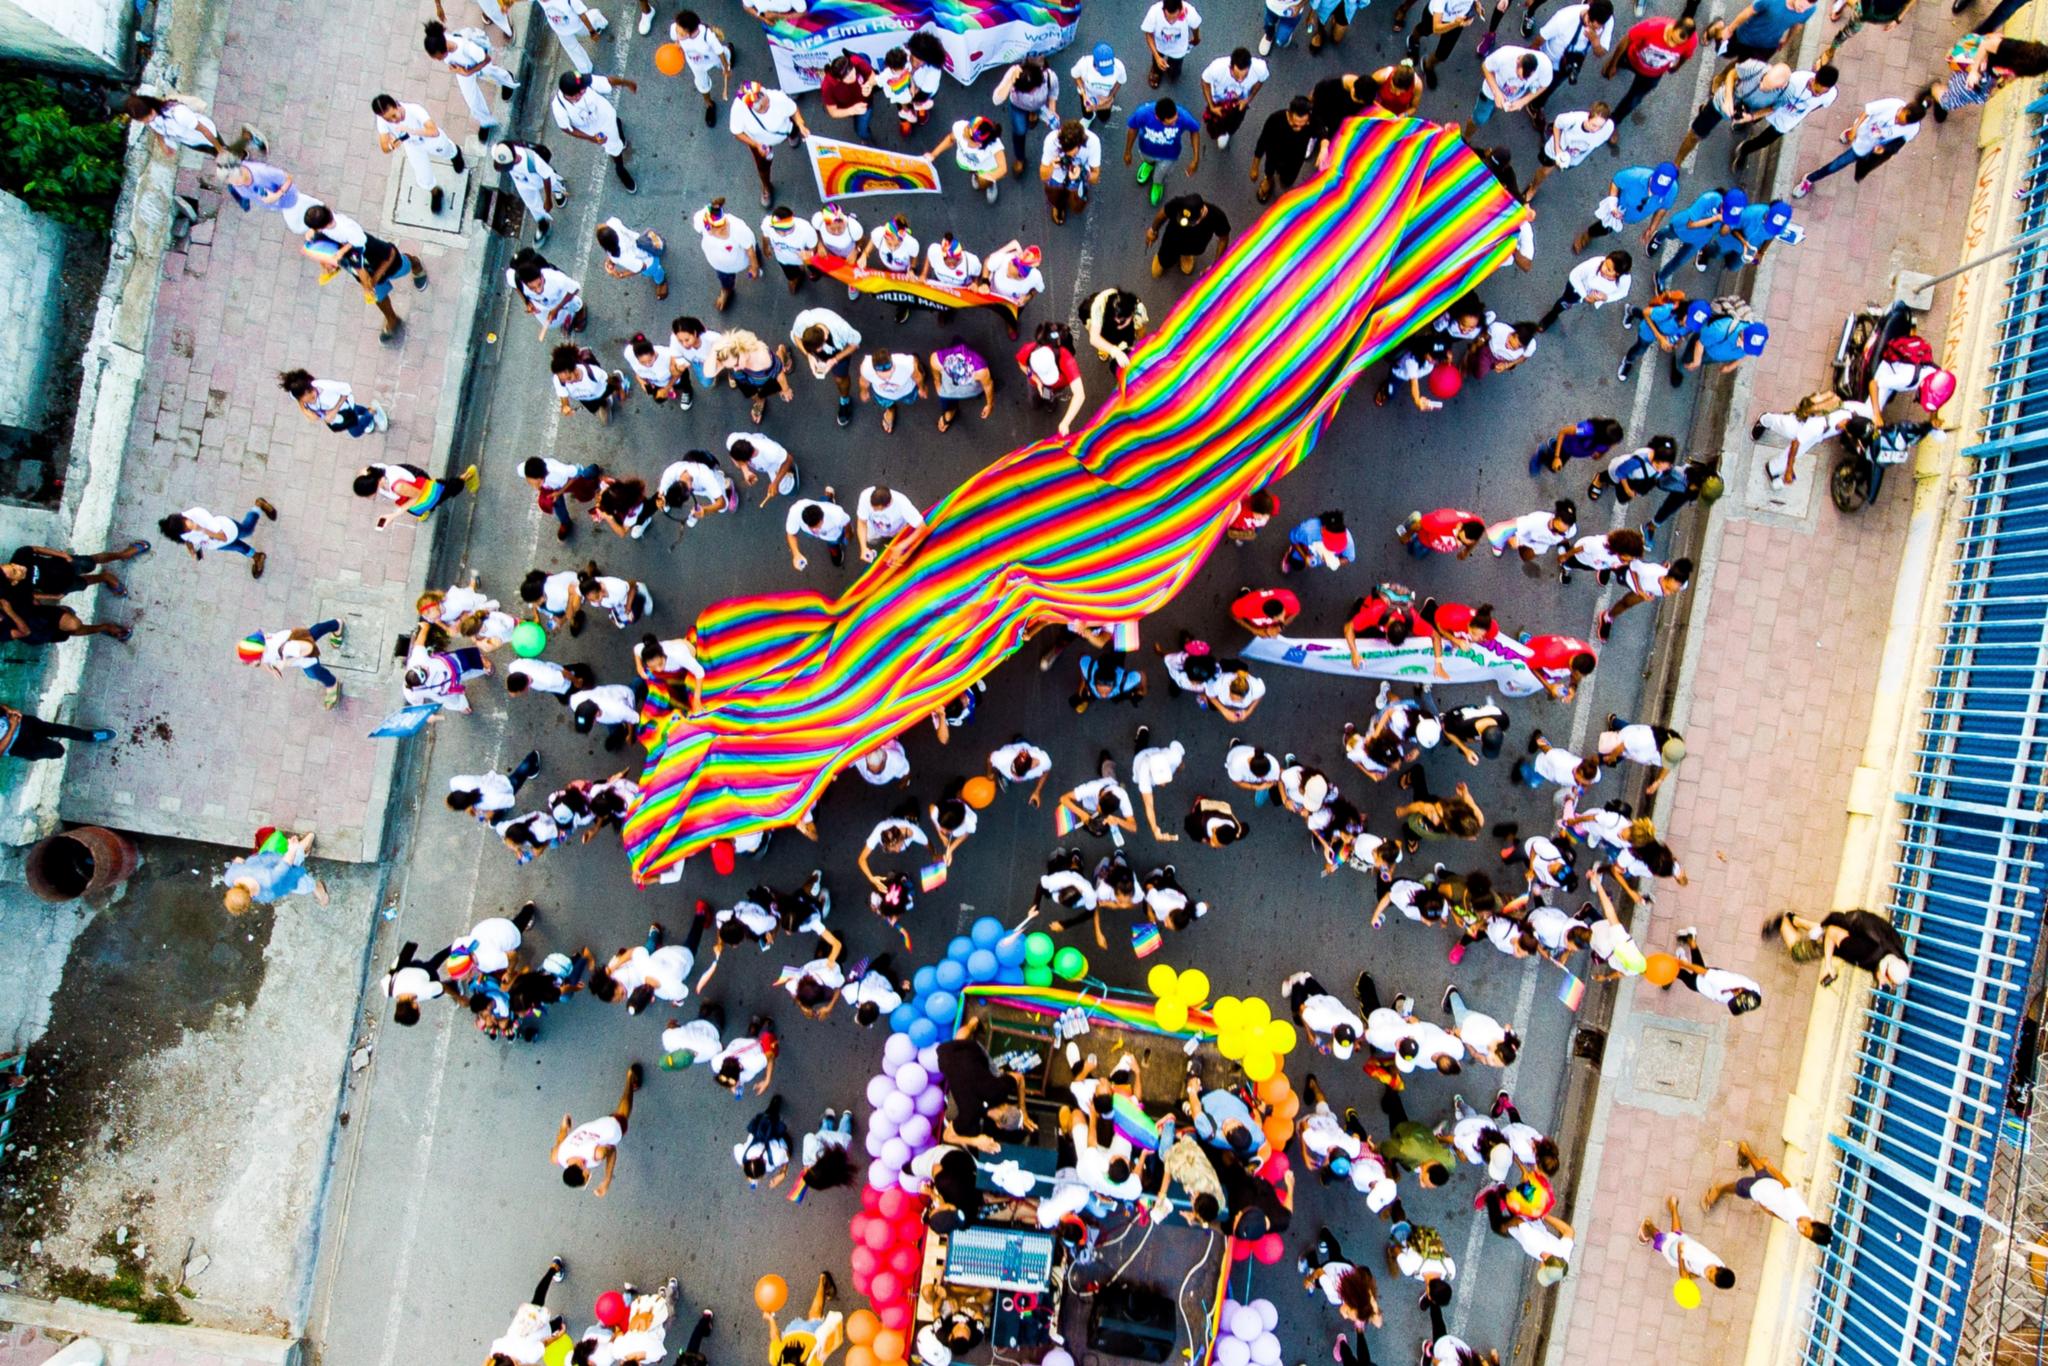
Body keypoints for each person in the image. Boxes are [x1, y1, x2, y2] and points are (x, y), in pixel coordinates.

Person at [303, 206, 429, 340]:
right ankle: (392, 319)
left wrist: (370, 284)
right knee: (379, 298)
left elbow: (387, 255)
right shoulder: (324, 230)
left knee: (404, 266)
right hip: (367, 274)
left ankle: (415, 264)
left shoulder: (356, 241)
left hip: (386, 263)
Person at [1793, 88, 1933, 199]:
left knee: (1838, 164)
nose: (1898, 122)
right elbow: (1867, 111)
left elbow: (1899, 143)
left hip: (1866, 147)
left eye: (1902, 123)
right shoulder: (1893, 104)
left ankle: (1810, 179)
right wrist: (1855, 129)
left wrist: (1884, 149)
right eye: (1899, 117)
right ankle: (1849, 134)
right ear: (1903, 109)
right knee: (1852, 136)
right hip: (1862, 129)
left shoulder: (1912, 129)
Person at [1702, 1139, 1835, 1247]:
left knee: (1760, 1172)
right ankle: (1719, 1189)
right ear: (1813, 1221)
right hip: (1759, 1189)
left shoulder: (1801, 1224)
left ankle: (1745, 1149)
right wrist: (1771, 1167)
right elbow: (1787, 1185)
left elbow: (1786, 1217)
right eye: (1805, 1229)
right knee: (1738, 1188)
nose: (1801, 1229)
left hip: (1770, 1187)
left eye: (1805, 1234)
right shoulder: (1799, 1208)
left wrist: (1770, 1212)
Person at [1671, 59, 1789, 168]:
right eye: (1763, 80)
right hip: (1722, 103)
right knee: (1696, 134)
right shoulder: (1755, 67)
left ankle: (1706, 108)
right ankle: (1677, 162)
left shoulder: (1784, 94)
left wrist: (1751, 117)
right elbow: (1732, 74)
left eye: (1766, 88)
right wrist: (1728, 99)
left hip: (1744, 113)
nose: (1761, 86)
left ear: (1782, 86)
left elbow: (1772, 108)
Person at [552, 1063, 642, 1194]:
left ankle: (630, 1078)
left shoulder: (596, 1154)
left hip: (612, 1128)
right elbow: (560, 1141)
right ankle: (613, 1115)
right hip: (591, 1128)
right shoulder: (557, 1157)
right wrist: (564, 1126)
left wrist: (607, 1180)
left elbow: (612, 1150)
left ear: (582, 1168)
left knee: (623, 1113)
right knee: (613, 1117)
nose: (589, 1176)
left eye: (587, 1177)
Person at [1603, 14, 1702, 134]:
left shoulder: (1692, 42)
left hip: (1652, 74)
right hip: (1632, 58)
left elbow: (1685, 56)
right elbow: (1626, 40)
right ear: (1673, 27)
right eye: (1671, 39)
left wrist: (1676, 67)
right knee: (1615, 66)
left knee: (1633, 100)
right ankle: (1617, 64)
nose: (1671, 45)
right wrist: (1613, 64)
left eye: (1677, 44)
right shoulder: (1652, 27)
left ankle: (1613, 122)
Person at [1763, 909, 1911, 988]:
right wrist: (1828, 965)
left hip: (1852, 928)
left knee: (1820, 932)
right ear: (1884, 968)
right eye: (1887, 980)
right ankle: (1783, 921)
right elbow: (1832, 933)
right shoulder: (1866, 952)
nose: (1883, 984)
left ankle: (1793, 919)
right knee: (1799, 953)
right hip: (1841, 928)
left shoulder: (1898, 955)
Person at [1732, 63, 1839, 169]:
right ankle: (1745, 122)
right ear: (1814, 79)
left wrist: (1800, 115)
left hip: (1788, 120)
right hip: (1775, 105)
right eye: (1816, 91)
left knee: (1764, 141)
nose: (1817, 95)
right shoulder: (1796, 80)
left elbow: (1817, 107)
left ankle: (1744, 149)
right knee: (1758, 115)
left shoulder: (1831, 95)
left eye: (1822, 94)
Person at [371, 94, 463, 213]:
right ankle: (436, 192)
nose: (393, 121)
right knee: (423, 176)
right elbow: (384, 147)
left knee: (447, 150)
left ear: (397, 105)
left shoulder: (414, 110)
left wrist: (412, 132)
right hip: (413, 145)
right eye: (389, 120)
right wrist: (391, 145)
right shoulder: (382, 119)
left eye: (394, 115)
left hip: (429, 139)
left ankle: (455, 154)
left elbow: (434, 131)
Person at [551, 71, 638, 191]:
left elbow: (608, 81)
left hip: (608, 115)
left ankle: (620, 135)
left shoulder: (584, 81)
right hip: (599, 131)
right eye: (582, 91)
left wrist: (627, 83)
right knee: (615, 148)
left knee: (616, 123)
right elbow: (566, 128)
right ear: (574, 96)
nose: (585, 89)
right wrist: (590, 138)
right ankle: (620, 169)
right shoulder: (559, 109)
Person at [422, 20, 517, 130]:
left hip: (477, 62)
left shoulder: (468, 48)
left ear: (445, 50)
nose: (438, 60)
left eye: (439, 57)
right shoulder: (440, 40)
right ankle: (486, 121)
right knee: (472, 99)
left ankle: (507, 79)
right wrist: (459, 69)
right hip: (462, 68)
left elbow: (487, 59)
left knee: (490, 71)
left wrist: (468, 72)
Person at [123, 88, 264, 161]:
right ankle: (241, 152)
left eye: (146, 118)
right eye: (142, 121)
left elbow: (204, 130)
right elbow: (157, 130)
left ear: (151, 109)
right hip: (193, 141)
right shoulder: (152, 118)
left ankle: (247, 138)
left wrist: (219, 149)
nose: (146, 122)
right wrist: (163, 145)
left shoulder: (178, 113)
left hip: (206, 136)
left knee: (224, 154)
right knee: (221, 154)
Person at [731, 81, 809, 208]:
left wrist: (801, 125)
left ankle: (793, 136)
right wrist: (756, 144)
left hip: (785, 129)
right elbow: (737, 132)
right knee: (763, 167)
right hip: (760, 143)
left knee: (794, 131)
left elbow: (793, 110)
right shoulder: (739, 109)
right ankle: (766, 187)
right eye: (761, 108)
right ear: (751, 107)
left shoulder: (777, 97)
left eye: (766, 102)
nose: (766, 107)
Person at [1573, 161, 1678, 255]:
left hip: (1632, 216)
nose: (1654, 193)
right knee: (1605, 226)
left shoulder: (1672, 190)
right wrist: (1613, 205)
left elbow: (1663, 208)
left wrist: (1652, 228)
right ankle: (1587, 235)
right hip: (1620, 209)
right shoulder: (1634, 175)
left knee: (1609, 227)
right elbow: (1616, 182)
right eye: (1653, 187)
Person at [1639, 1195, 1737, 1293]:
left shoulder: (1720, 1267)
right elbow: (1683, 1273)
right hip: (1675, 1250)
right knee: (1660, 1240)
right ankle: (1647, 1226)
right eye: (1711, 1272)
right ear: (1718, 1268)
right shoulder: (1699, 1258)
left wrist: (1695, 1275)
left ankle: (1673, 1205)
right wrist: (1681, 1260)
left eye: (1710, 1279)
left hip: (1685, 1244)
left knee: (1677, 1234)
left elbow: (1701, 1272)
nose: (1708, 1274)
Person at [219, 829, 330, 913]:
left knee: (305, 885)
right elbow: (239, 860)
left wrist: (292, 849)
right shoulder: (229, 878)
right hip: (267, 857)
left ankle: (320, 890)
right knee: (296, 854)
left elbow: (286, 864)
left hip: (284, 871)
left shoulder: (269, 880)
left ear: (250, 896)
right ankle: (307, 841)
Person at [242, 619, 348, 707]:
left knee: (313, 672)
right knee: (312, 633)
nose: (255, 664)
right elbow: (263, 661)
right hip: (295, 637)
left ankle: (332, 684)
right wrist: (271, 670)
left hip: (302, 654)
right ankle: (336, 625)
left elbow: (309, 647)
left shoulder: (284, 649)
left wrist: (286, 663)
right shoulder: (260, 643)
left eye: (255, 662)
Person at [1522, 104, 1614, 204]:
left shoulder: (1608, 128)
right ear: (1588, 117)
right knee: (1544, 171)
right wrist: (1557, 149)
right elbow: (1557, 124)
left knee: (1557, 168)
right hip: (1555, 151)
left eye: (1600, 127)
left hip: (1573, 159)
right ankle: (1533, 188)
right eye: (1594, 125)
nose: (1595, 130)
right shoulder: (1574, 119)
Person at [159, 501, 276, 579]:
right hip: (215, 544)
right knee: (239, 547)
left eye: (187, 522)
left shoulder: (198, 513)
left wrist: (201, 529)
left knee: (248, 529)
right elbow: (187, 540)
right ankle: (257, 557)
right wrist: (192, 550)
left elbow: (223, 537)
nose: (189, 524)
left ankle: (258, 506)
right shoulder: (180, 530)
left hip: (228, 530)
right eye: (186, 529)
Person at [793, 308, 863, 427]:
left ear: (825, 338)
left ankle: (844, 400)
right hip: (820, 349)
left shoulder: (841, 328)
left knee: (840, 378)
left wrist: (835, 359)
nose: (817, 352)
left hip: (838, 352)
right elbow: (796, 336)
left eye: (818, 349)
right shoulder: (803, 320)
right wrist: (809, 355)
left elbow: (855, 344)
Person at [1125, 98, 1202, 205]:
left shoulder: (1183, 116)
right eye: (1171, 122)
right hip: (1146, 151)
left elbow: (1194, 131)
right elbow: (1133, 129)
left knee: (1161, 173)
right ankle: (1148, 165)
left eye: (1176, 118)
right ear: (1158, 117)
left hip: (1169, 157)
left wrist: (1196, 158)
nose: (1175, 122)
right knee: (1147, 160)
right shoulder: (1143, 114)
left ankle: (1157, 183)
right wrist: (1128, 151)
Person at [1617, 295, 1705, 385]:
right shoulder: (1667, 312)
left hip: (1661, 328)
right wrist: (1660, 337)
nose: (1689, 325)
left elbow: (1680, 334)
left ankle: (1631, 310)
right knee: (1640, 349)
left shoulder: (1689, 326)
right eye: (1689, 321)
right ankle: (1628, 361)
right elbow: (1646, 312)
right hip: (1648, 331)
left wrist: (1676, 344)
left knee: (1651, 317)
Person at [992, 58, 1060, 175]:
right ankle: (1020, 158)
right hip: (1018, 107)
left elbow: (1053, 92)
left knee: (1034, 111)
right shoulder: (1013, 73)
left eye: (1033, 89)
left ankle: (1033, 113)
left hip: (1039, 105)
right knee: (1020, 132)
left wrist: (1052, 110)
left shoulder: (1049, 76)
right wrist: (1010, 81)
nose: (1030, 93)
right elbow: (996, 100)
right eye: (1026, 91)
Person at [1535, 248, 1629, 332]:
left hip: (1593, 297)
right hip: (1577, 289)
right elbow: (1574, 275)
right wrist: (1585, 296)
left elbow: (1622, 293)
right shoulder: (1594, 264)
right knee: (1565, 301)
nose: (1603, 268)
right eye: (1605, 263)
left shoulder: (1624, 280)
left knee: (1570, 303)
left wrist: (1606, 298)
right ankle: (1552, 315)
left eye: (1608, 269)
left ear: (1618, 274)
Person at [491, 141, 566, 246]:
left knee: (552, 182)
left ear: (515, 158)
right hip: (522, 183)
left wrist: (548, 199)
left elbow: (546, 177)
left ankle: (559, 189)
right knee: (532, 204)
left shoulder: (532, 160)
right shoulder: (499, 150)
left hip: (538, 179)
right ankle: (543, 224)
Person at [692, 199, 761, 313]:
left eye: (724, 226)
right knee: (725, 279)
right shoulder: (701, 219)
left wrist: (754, 267)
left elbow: (749, 249)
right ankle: (727, 290)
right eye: (718, 229)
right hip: (720, 266)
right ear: (708, 227)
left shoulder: (738, 229)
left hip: (741, 260)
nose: (724, 230)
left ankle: (759, 262)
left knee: (756, 253)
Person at [1597, 557, 1692, 637]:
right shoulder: (1648, 571)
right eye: (1667, 588)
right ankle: (1605, 565)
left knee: (1626, 603)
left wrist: (1645, 593)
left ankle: (1607, 617)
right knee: (1616, 567)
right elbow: (1633, 566)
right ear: (1668, 576)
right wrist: (1638, 589)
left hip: (1646, 591)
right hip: (1629, 577)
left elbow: (1669, 567)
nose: (1667, 593)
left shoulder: (1682, 584)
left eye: (1673, 592)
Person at [1594, 712, 1685, 794]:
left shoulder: (1669, 747)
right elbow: (1622, 746)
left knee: (1627, 728)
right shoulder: (1642, 741)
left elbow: (1668, 764)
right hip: (1624, 745)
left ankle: (1613, 721)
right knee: (1607, 759)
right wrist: (1612, 757)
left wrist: (1659, 781)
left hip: (1632, 739)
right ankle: (1592, 764)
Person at [1469, 45, 1553, 133]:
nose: (1521, 81)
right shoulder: (1504, 55)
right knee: (1479, 120)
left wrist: (1523, 101)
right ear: (1518, 61)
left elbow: (1544, 85)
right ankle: (1466, 137)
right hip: (1490, 93)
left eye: (1526, 79)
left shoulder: (1545, 66)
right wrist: (1496, 93)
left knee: (1491, 111)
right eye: (1519, 76)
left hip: (1508, 98)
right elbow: (1485, 66)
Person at [1017, 330, 1087, 435]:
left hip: (1056, 387)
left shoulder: (1066, 359)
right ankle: (1037, 403)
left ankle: (1050, 403)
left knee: (1050, 396)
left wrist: (1065, 422)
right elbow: (1022, 364)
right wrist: (1036, 380)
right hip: (1034, 384)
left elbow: (1080, 395)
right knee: (1034, 398)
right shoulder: (1029, 350)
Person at [1249, 96, 1316, 204]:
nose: (1299, 129)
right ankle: (1268, 180)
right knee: (1269, 169)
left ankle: (1284, 181)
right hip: (1274, 154)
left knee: (1287, 181)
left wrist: (1324, 145)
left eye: (1303, 125)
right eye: (1295, 125)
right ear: (1289, 115)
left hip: (1295, 159)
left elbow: (1321, 130)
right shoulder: (1275, 119)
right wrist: (1255, 167)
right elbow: (1262, 142)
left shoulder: (1311, 121)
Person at [671, 11, 733, 126]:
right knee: (702, 84)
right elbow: (676, 39)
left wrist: (726, 68)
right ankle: (709, 104)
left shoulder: (707, 36)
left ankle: (730, 50)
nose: (677, 34)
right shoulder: (676, 28)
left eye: (681, 33)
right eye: (677, 31)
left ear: (690, 32)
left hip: (713, 58)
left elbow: (719, 52)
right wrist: (678, 44)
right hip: (696, 64)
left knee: (726, 55)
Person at [1198, 47, 1268, 149]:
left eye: (1245, 76)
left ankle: (1227, 132)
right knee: (1215, 123)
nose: (1240, 80)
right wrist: (1211, 106)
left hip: (1240, 103)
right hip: (1219, 102)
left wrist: (1248, 99)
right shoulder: (1217, 67)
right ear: (1230, 67)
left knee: (1235, 122)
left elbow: (1261, 80)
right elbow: (1205, 82)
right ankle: (1219, 131)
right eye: (1236, 76)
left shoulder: (1260, 69)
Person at [931, 116, 1008, 206]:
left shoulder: (994, 145)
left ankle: (990, 185)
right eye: (968, 126)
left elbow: (1003, 168)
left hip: (987, 168)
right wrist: (934, 154)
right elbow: (950, 139)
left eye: (967, 131)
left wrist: (988, 177)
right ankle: (975, 175)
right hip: (967, 163)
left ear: (977, 143)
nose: (964, 129)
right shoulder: (961, 127)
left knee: (987, 182)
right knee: (972, 171)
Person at [1149, 194, 1231, 278]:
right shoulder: (1178, 203)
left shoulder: (1217, 216)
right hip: (1172, 240)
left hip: (1196, 245)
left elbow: (1223, 239)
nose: (1187, 225)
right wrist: (1153, 230)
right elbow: (1163, 213)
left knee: (1193, 250)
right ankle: (1162, 260)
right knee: (1165, 257)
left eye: (1191, 222)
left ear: (1202, 211)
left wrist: (1216, 265)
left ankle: (1185, 255)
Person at [506, 251, 585, 338]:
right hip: (541, 304)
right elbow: (516, 287)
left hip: (561, 298)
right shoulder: (514, 277)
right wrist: (527, 302)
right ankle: (566, 317)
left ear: (542, 274)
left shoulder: (555, 278)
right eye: (532, 288)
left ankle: (580, 310)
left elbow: (574, 289)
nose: (538, 290)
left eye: (540, 284)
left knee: (573, 304)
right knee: (551, 323)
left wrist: (557, 309)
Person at [1040, 119, 1103, 225]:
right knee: (1054, 198)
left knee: (1077, 207)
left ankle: (1064, 204)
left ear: (1080, 144)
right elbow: (1043, 176)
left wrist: (1082, 174)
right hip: (1056, 177)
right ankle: (1058, 207)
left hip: (1078, 180)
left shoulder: (1093, 142)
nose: (1069, 157)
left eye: (1073, 154)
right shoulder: (1051, 140)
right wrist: (1051, 166)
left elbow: (1095, 178)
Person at [929, 338, 995, 434]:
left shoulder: (981, 371)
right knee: (945, 394)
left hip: (974, 383)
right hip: (950, 380)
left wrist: (989, 404)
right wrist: (937, 383)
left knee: (979, 387)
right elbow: (935, 373)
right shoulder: (936, 359)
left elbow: (988, 385)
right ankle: (950, 410)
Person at [596, 217, 667, 301]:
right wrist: (611, 260)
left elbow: (642, 267)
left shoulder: (623, 258)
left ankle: (662, 282)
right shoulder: (612, 223)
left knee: (654, 270)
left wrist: (620, 275)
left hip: (648, 260)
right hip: (643, 242)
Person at [552, 344, 625, 424]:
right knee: (605, 420)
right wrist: (565, 406)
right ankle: (604, 405)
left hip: (602, 391)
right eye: (563, 380)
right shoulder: (559, 379)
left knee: (613, 385)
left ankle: (617, 376)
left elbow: (610, 380)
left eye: (569, 378)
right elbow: (563, 397)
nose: (566, 383)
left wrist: (620, 390)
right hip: (586, 400)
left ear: (575, 369)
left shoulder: (594, 372)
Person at [985, 243, 1046, 336]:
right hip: (994, 297)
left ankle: (1010, 324)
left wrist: (1027, 297)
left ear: (1021, 275)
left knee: (1012, 316)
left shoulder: (1036, 277)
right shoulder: (1005, 259)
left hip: (1014, 304)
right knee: (997, 310)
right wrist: (984, 282)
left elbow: (1037, 289)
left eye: (1011, 275)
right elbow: (987, 263)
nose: (1007, 275)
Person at [858, 350, 926, 434]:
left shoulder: (905, 363)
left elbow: (917, 377)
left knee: (910, 400)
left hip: (907, 391)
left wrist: (921, 388)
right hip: (883, 394)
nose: (887, 379)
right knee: (887, 403)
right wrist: (864, 391)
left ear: (893, 365)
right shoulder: (866, 368)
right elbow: (864, 381)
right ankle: (890, 409)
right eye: (882, 377)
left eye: (890, 374)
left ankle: (917, 361)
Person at [1722, 0, 1817, 60]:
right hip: (1745, 37)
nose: (1802, 11)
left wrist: (1786, 40)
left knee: (1746, 70)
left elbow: (1797, 26)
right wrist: (1730, 29)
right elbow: (1748, 12)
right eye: (1801, 7)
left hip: (1767, 47)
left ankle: (1725, 76)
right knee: (1726, 54)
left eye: (1806, 9)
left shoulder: (1811, 9)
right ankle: (1716, 27)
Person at [1141, 0, 1204, 88]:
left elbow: (1195, 27)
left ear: (1181, 10)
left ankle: (1172, 71)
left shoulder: (1189, 12)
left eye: (1175, 18)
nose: (1171, 22)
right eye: (1168, 18)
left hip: (1178, 48)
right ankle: (1155, 71)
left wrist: (1196, 38)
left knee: (1174, 72)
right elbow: (1148, 34)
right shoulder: (1154, 12)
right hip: (1159, 45)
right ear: (1163, 9)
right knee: (1156, 63)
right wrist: (1157, 57)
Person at [856, 484, 926, 563]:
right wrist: (863, 547)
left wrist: (901, 546)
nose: (873, 510)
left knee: (899, 544)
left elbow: (922, 527)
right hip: (873, 529)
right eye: (872, 507)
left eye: (877, 509)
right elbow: (862, 522)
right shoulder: (865, 496)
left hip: (897, 531)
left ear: (888, 505)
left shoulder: (903, 504)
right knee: (870, 539)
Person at [759, 207, 821, 296]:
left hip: (805, 258)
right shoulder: (767, 223)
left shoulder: (806, 229)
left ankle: (815, 273)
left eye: (787, 230)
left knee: (814, 267)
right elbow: (765, 235)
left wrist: (810, 254)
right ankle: (794, 279)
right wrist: (765, 247)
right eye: (778, 230)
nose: (783, 234)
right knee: (791, 274)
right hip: (784, 259)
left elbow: (813, 246)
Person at [1281, 509, 1355, 575]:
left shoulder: (1348, 541)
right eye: (1330, 545)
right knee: (1297, 565)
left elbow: (1349, 558)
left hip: (1315, 559)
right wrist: (1305, 557)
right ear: (1322, 531)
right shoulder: (1306, 530)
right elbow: (1294, 541)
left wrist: (1336, 562)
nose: (1332, 550)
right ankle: (1289, 555)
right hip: (1304, 550)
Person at [1074, 42, 1128, 124]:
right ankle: (1088, 118)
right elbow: (1076, 76)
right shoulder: (1083, 64)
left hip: (1105, 96)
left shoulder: (1119, 67)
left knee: (1104, 116)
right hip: (1087, 94)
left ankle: (1103, 117)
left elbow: (1120, 81)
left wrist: (1110, 96)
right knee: (1087, 111)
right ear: (1094, 64)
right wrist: (1084, 95)